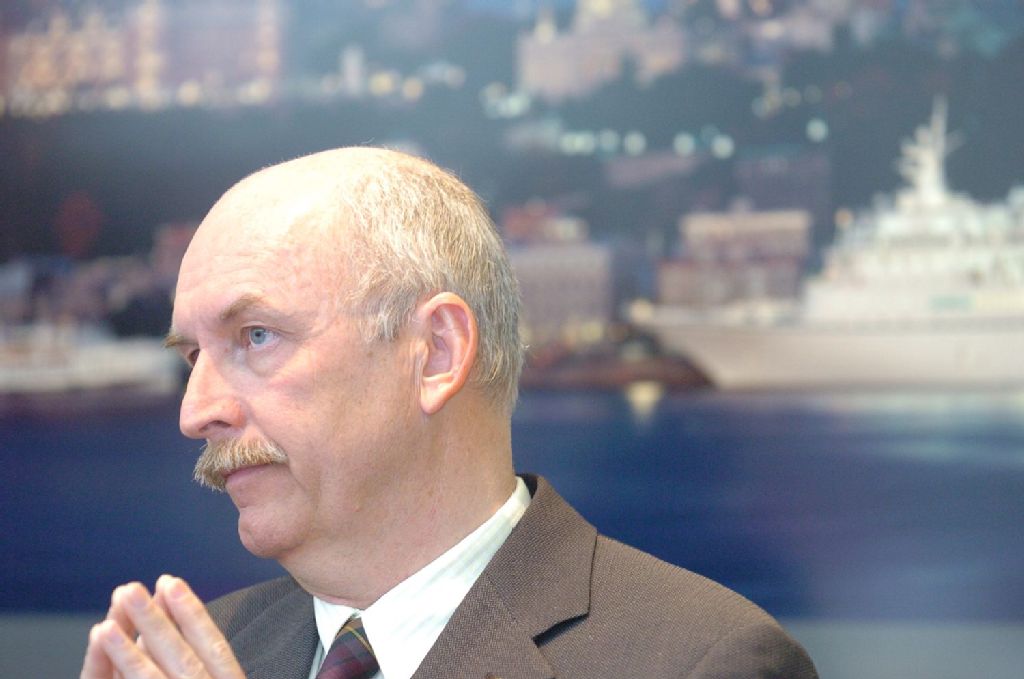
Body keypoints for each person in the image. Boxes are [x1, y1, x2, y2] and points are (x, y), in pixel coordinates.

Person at [80, 147, 818, 679]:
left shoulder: (701, 660)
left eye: (256, 337)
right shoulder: (199, 652)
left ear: (436, 352)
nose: (197, 411)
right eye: (192, 357)